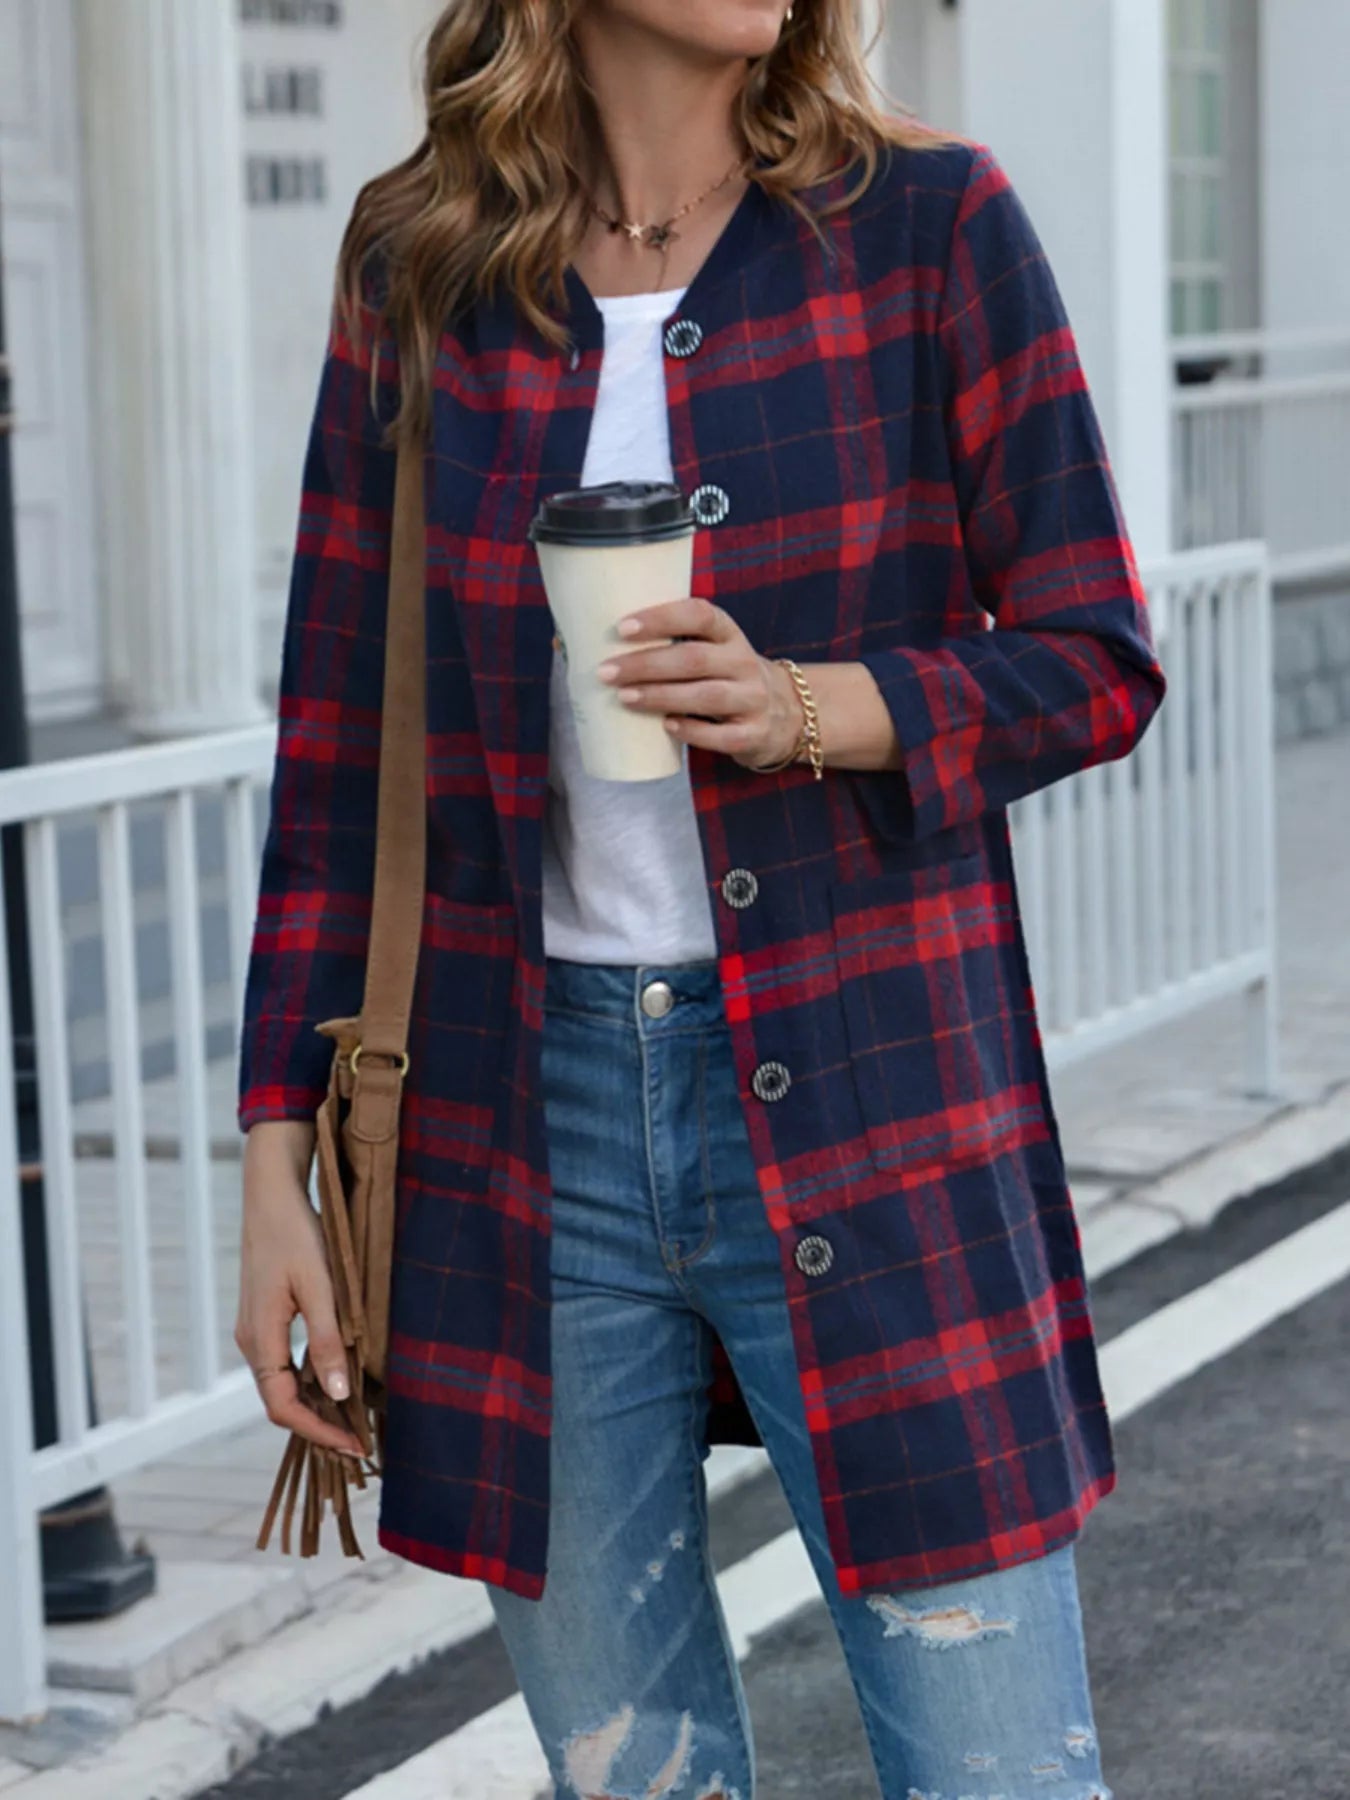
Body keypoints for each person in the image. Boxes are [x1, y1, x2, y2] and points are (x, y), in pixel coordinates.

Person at [234, 3, 1164, 1795]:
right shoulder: (422, 261)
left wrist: (815, 706)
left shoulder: (929, 226)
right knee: (630, 1772)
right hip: (522, 1127)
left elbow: (1095, 656)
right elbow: (343, 741)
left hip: (875, 1094)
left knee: (1000, 1774)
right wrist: (276, 1143)